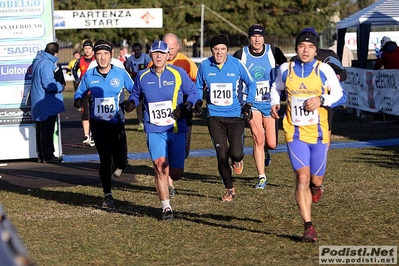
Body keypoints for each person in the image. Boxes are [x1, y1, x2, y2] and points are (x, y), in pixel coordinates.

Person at [270, 28, 345, 242]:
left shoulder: (325, 70)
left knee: (316, 178)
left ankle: (317, 186)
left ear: (316, 50)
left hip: (319, 136)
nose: (306, 50)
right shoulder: (286, 69)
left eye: (310, 47)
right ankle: (308, 226)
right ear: (296, 48)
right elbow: (275, 88)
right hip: (295, 133)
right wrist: (275, 102)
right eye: (302, 46)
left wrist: (322, 99)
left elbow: (340, 94)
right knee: (302, 177)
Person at [124, 40, 198, 220]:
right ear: (151, 55)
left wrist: (187, 106)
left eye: (161, 53)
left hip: (175, 129)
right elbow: (135, 95)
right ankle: (166, 208)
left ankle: (171, 180)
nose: (158, 56)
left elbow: (194, 93)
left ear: (167, 55)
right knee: (160, 166)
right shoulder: (142, 76)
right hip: (154, 129)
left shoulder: (178, 73)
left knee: (176, 173)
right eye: (155, 53)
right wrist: (131, 103)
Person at [195, 34, 256, 202]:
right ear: (211, 50)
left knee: (236, 153)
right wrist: (198, 100)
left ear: (227, 50)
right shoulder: (205, 66)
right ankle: (229, 189)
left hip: (235, 115)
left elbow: (252, 83)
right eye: (216, 49)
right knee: (222, 154)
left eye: (222, 49)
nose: (219, 52)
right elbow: (198, 86)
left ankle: (237, 160)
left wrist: (249, 104)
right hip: (214, 116)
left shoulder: (236, 65)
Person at [74, 40, 134, 209]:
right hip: (98, 123)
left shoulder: (120, 74)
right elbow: (80, 91)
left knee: (122, 161)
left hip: (117, 122)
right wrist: (78, 100)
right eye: (99, 54)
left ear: (111, 55)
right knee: (104, 159)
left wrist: (131, 103)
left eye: (105, 54)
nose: (102, 57)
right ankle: (108, 195)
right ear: (95, 55)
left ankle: (118, 164)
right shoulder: (90, 74)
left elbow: (135, 89)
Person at [233, 24, 287, 189]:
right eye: (253, 36)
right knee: (258, 138)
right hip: (251, 103)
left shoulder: (274, 52)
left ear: (264, 38)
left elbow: (286, 70)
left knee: (271, 143)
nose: (257, 39)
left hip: (269, 103)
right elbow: (233, 74)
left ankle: (267, 151)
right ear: (249, 38)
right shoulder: (241, 54)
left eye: (260, 36)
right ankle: (261, 177)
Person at [146, 33, 198, 198]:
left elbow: (195, 86)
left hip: (182, 116)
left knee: (182, 156)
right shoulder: (152, 63)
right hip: (157, 123)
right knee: (162, 159)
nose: (166, 54)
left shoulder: (186, 64)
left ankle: (172, 175)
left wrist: (190, 104)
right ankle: (168, 185)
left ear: (176, 48)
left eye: (171, 49)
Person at [31, 42, 65, 164]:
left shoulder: (38, 61)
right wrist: (60, 86)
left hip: (38, 101)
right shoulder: (47, 64)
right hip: (46, 102)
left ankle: (41, 155)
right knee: (47, 129)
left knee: (41, 129)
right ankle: (48, 155)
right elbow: (48, 84)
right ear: (56, 53)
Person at [72, 39, 96, 146]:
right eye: (85, 48)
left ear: (92, 49)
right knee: (85, 112)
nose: (87, 50)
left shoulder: (96, 59)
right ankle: (86, 136)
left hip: (95, 90)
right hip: (84, 91)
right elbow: (74, 70)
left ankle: (95, 135)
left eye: (89, 48)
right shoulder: (80, 60)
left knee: (96, 113)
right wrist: (77, 80)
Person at [125, 43, 152, 132]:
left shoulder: (146, 57)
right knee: (138, 103)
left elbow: (151, 68)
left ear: (141, 50)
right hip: (136, 84)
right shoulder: (130, 59)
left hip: (147, 82)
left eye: (138, 50)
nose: (136, 52)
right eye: (135, 50)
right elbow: (127, 71)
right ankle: (140, 122)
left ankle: (149, 119)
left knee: (148, 101)